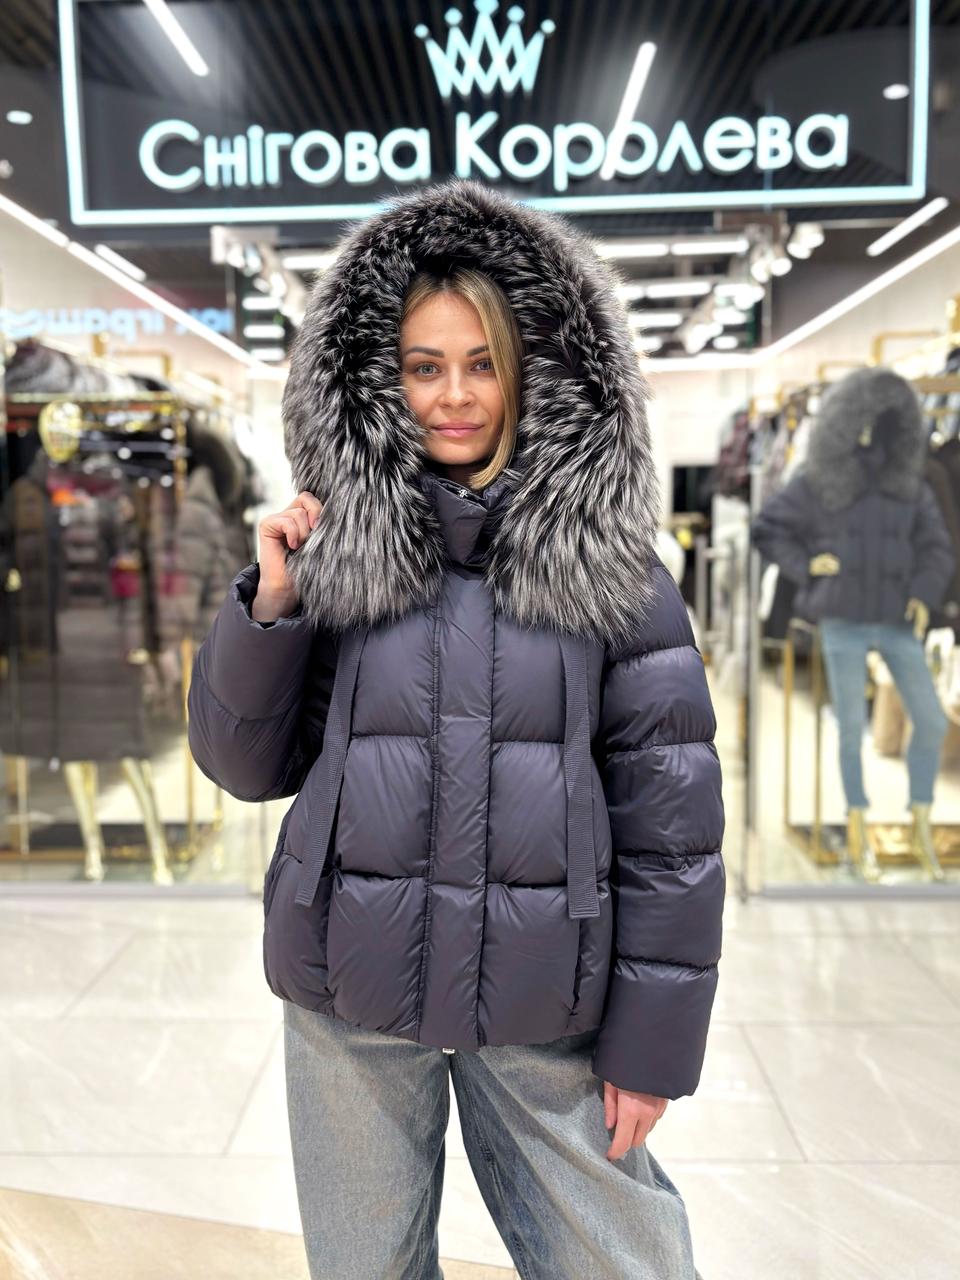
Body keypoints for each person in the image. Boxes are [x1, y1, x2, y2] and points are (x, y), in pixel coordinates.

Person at [187, 178, 725, 1280]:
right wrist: (271, 608)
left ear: (531, 370)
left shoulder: (611, 566)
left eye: (483, 363)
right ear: (379, 381)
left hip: (546, 994)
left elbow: (672, 827)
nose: (455, 396)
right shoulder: (336, 551)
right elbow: (244, 765)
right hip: (350, 988)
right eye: (424, 366)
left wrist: (652, 1041)